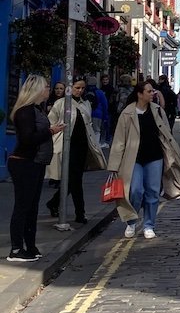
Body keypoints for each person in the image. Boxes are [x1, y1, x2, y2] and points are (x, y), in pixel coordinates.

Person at [107, 80, 180, 239]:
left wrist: (174, 154)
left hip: (154, 157)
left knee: (153, 192)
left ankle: (149, 224)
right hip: (133, 159)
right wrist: (114, 165)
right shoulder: (127, 113)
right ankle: (132, 221)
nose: (152, 93)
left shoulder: (157, 110)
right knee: (135, 190)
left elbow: (166, 135)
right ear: (140, 94)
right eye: (149, 91)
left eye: (152, 91)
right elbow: (119, 141)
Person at [7, 76, 60, 262]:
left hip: (35, 163)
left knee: (32, 207)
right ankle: (15, 250)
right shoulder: (25, 111)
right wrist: (51, 131)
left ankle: (30, 246)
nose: (49, 89)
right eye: (46, 87)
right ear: (37, 89)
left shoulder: (37, 110)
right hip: (24, 163)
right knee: (23, 206)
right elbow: (28, 139)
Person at [47, 77, 106, 224]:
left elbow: (88, 124)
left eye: (82, 88)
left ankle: (53, 203)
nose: (80, 91)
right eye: (77, 87)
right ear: (70, 87)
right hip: (67, 146)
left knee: (72, 180)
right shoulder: (61, 103)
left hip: (82, 146)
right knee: (75, 181)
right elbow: (51, 122)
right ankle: (80, 213)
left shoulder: (85, 103)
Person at [88, 77, 110, 149]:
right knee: (97, 130)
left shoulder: (85, 91)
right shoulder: (99, 92)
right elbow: (105, 105)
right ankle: (96, 146)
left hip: (87, 113)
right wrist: (105, 116)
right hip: (97, 114)